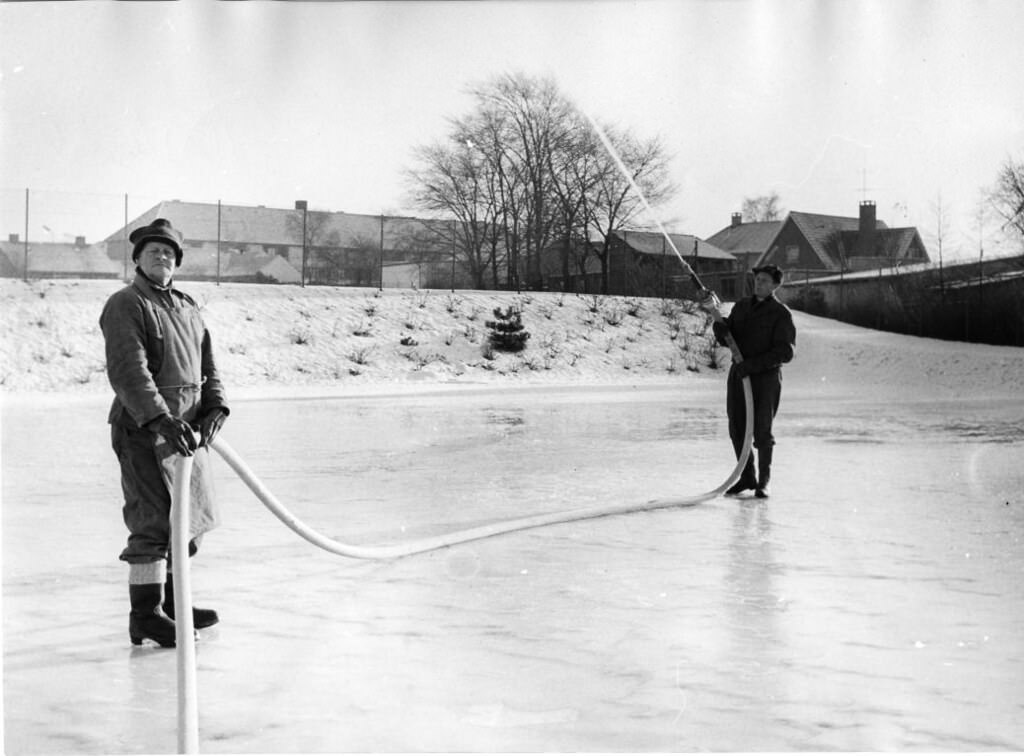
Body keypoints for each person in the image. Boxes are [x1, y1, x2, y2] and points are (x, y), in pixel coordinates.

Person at [100, 218, 229, 648]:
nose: (163, 258)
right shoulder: (126, 303)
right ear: (137, 258)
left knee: (187, 520)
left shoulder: (187, 306)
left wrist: (215, 405)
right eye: (154, 251)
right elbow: (129, 370)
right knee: (153, 522)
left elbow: (207, 364)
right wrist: (158, 419)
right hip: (144, 430)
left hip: (187, 432)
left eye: (170, 253)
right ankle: (146, 615)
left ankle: (176, 602)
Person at [703, 264, 796, 499]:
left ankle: (764, 481)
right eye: (757, 279)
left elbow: (785, 352)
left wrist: (752, 366)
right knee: (737, 428)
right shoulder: (742, 306)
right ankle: (747, 477)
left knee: (762, 431)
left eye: (765, 280)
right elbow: (728, 338)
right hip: (739, 376)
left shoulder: (781, 314)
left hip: (765, 379)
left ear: (776, 285)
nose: (759, 283)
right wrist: (718, 322)